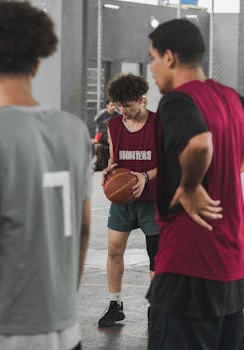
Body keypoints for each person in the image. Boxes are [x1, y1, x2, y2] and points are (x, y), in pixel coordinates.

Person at [0, 2, 91, 350]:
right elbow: (84, 225)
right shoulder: (74, 130)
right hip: (66, 329)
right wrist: (62, 303)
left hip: (6, 332)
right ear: (37, 64)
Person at [147, 19, 244, 350]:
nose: (151, 68)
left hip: (187, 266)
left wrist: (192, 184)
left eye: (152, 58)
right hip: (230, 270)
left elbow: (199, 143)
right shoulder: (228, 98)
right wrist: (233, 167)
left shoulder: (178, 101)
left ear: (170, 57)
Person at [98, 74, 159, 328]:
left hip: (153, 201)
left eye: (128, 106)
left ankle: (156, 308)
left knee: (155, 257)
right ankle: (115, 305)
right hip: (123, 201)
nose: (123, 111)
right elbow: (115, 158)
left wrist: (146, 177)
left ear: (142, 100)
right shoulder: (114, 125)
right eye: (119, 106)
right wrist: (110, 170)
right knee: (113, 250)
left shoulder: (160, 124)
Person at [93, 100, 119, 171]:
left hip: (113, 137)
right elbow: (98, 128)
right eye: (111, 105)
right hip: (103, 135)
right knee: (99, 146)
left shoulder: (118, 115)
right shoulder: (101, 115)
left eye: (114, 105)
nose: (113, 107)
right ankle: (98, 164)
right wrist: (102, 137)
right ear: (107, 106)